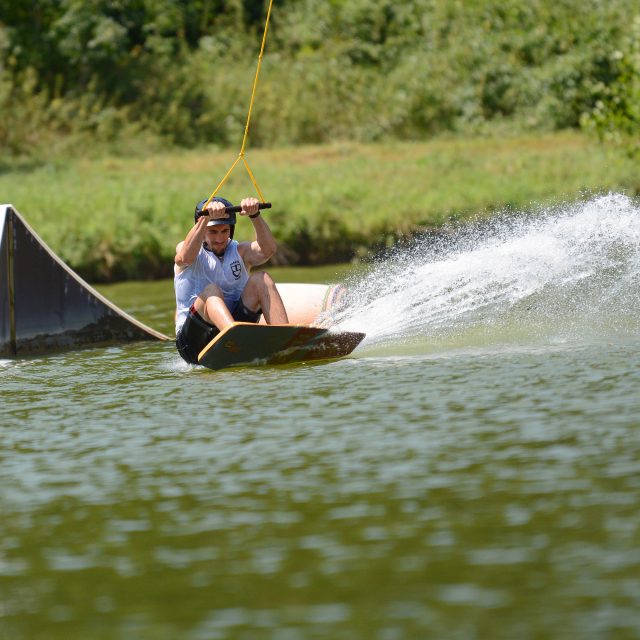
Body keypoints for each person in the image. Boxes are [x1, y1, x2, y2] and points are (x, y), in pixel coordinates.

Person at [174, 195, 289, 364]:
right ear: (202, 229)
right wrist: (205, 219)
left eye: (224, 231)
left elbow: (268, 250)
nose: (219, 239)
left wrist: (255, 215)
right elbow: (184, 257)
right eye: (213, 232)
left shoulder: (240, 252)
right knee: (212, 291)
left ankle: (285, 341)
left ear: (231, 230)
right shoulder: (188, 249)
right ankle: (237, 339)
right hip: (193, 344)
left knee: (261, 279)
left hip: (233, 329)